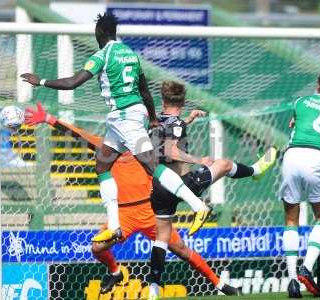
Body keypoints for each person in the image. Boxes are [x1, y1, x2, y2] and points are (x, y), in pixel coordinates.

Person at [20, 12, 210, 243]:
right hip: (127, 117)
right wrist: (151, 117)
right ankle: (114, 226)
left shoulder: (102, 55)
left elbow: (72, 83)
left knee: (152, 167)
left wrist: (40, 81)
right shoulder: (130, 54)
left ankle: (198, 206)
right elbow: (144, 90)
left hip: (126, 118)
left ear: (99, 33)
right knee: (102, 165)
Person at [24, 102, 241, 297]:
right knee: (97, 248)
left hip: (149, 213)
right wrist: (49, 119)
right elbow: (77, 133)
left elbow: (171, 133)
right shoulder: (106, 147)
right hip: (123, 216)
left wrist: (188, 121)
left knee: (182, 250)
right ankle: (115, 272)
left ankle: (220, 285)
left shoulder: (145, 147)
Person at [147, 81, 277, 300]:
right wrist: (199, 159)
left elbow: (163, 139)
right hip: (181, 184)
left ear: (162, 100)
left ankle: (153, 293)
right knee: (224, 164)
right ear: (184, 101)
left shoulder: (155, 120)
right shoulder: (176, 122)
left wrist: (187, 120)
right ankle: (255, 171)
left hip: (158, 187)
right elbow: (171, 151)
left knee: (161, 237)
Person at [280, 71, 320, 298]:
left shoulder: (300, 102)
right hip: (317, 158)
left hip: (291, 156)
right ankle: (307, 268)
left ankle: (292, 283)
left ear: (318, 84)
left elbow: (295, 123)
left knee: (291, 218)